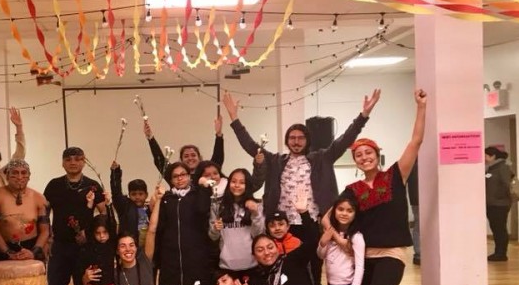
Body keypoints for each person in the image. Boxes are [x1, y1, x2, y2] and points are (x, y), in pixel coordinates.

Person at [342, 88, 427, 285]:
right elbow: (333, 215)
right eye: (359, 155)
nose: (364, 157)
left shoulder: (394, 176)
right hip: (365, 259)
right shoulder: (353, 190)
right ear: (355, 160)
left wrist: (421, 107)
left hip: (392, 253)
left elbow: (415, 142)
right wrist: (338, 237)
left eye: (369, 153)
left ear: (377, 155)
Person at [222, 89, 381, 221]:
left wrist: (363, 115)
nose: (296, 142)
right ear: (287, 141)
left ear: (307, 140)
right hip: (281, 225)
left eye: (301, 138)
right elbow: (250, 145)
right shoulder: (275, 161)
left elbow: (345, 139)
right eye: (292, 138)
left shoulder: (322, 158)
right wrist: (234, 118)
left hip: (315, 223)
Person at [43, 147, 106, 285]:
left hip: (84, 247)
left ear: (84, 162)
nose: (73, 162)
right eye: (68, 159)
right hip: (59, 245)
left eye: (77, 159)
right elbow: (44, 213)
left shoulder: (93, 186)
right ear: (63, 162)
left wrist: (90, 233)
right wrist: (47, 236)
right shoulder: (54, 185)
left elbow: (103, 214)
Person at [156, 161, 213, 285]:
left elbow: (203, 210)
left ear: (190, 176)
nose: (180, 178)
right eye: (175, 176)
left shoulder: (198, 194)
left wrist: (204, 188)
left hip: (196, 255)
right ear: (170, 179)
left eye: (183, 174)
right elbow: (160, 227)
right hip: (172, 255)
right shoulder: (167, 199)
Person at [0, 159, 49, 262]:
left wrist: (33, 252)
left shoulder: (39, 199)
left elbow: (45, 231)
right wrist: (8, 252)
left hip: (32, 247)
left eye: (23, 173)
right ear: (7, 176)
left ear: (29, 176)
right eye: (15, 173)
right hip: (3, 247)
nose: (20, 177)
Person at [209, 168, 265, 275]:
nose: (237, 185)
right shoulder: (218, 206)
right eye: (233, 181)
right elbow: (213, 236)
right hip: (226, 266)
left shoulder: (255, 205)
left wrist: (255, 213)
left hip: (252, 264)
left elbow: (259, 235)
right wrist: (215, 229)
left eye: (242, 182)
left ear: (247, 185)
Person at [143, 114, 224, 175]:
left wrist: (219, 135)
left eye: (193, 155)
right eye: (186, 156)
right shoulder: (176, 176)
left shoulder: (207, 174)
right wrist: (151, 138)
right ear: (181, 160)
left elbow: (218, 159)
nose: (190, 158)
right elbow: (160, 161)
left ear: (199, 158)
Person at [110, 161, 151, 247]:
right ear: (129, 195)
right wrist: (115, 173)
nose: (137, 197)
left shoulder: (150, 209)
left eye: (140, 194)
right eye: (133, 194)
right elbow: (116, 192)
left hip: (147, 248)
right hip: (129, 247)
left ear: (146, 195)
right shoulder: (125, 207)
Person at [485, 146, 513, 262]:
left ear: (493, 156)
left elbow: (508, 185)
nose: (484, 158)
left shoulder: (502, 167)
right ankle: (498, 252)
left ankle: (501, 254)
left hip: (500, 204)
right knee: (496, 229)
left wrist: (498, 197)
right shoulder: (491, 168)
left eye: (486, 156)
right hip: (492, 204)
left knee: (500, 229)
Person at [407, 164, 420, 265]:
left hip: (415, 197)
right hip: (417, 197)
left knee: (418, 224)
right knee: (419, 224)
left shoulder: (413, 161)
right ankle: (419, 254)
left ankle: (418, 255)